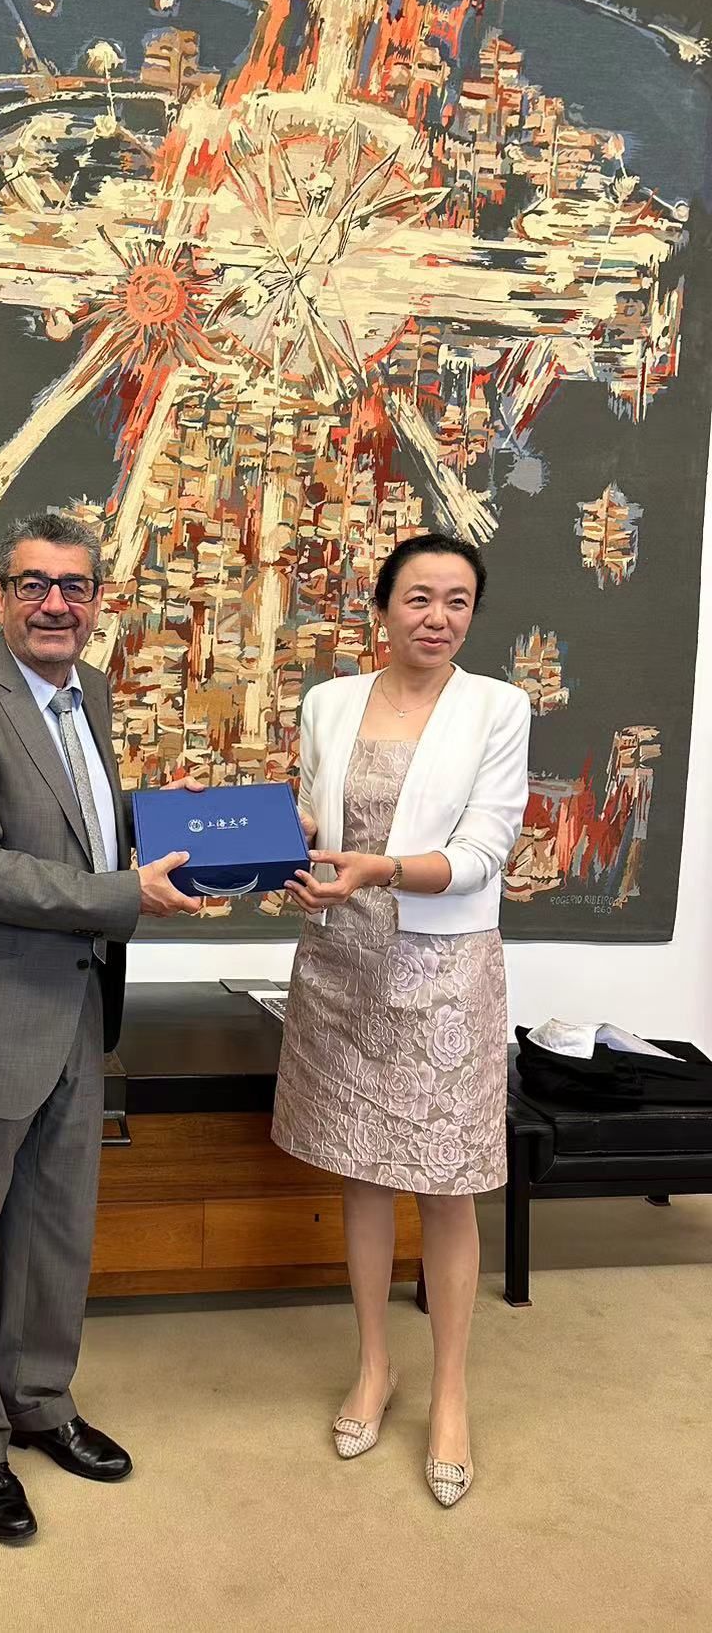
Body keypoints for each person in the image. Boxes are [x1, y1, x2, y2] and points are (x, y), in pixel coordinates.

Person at [0, 509, 201, 1543]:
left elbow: (80, 825)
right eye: (33, 584)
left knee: (54, 1230)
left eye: (73, 586)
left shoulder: (91, 691)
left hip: (75, 1006)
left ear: (97, 600)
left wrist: (187, 830)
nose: (54, 604)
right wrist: (125, 893)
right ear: (0, 596)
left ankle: (39, 1401)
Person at [272, 532, 531, 1508]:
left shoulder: (497, 707)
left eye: (457, 601)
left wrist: (377, 869)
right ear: (381, 607)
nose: (437, 617)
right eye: (418, 597)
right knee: (364, 1171)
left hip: (441, 972)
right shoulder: (328, 702)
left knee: (447, 1184)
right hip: (342, 962)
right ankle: (374, 1365)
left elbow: (483, 850)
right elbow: (314, 815)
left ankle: (451, 1392)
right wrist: (284, 845)